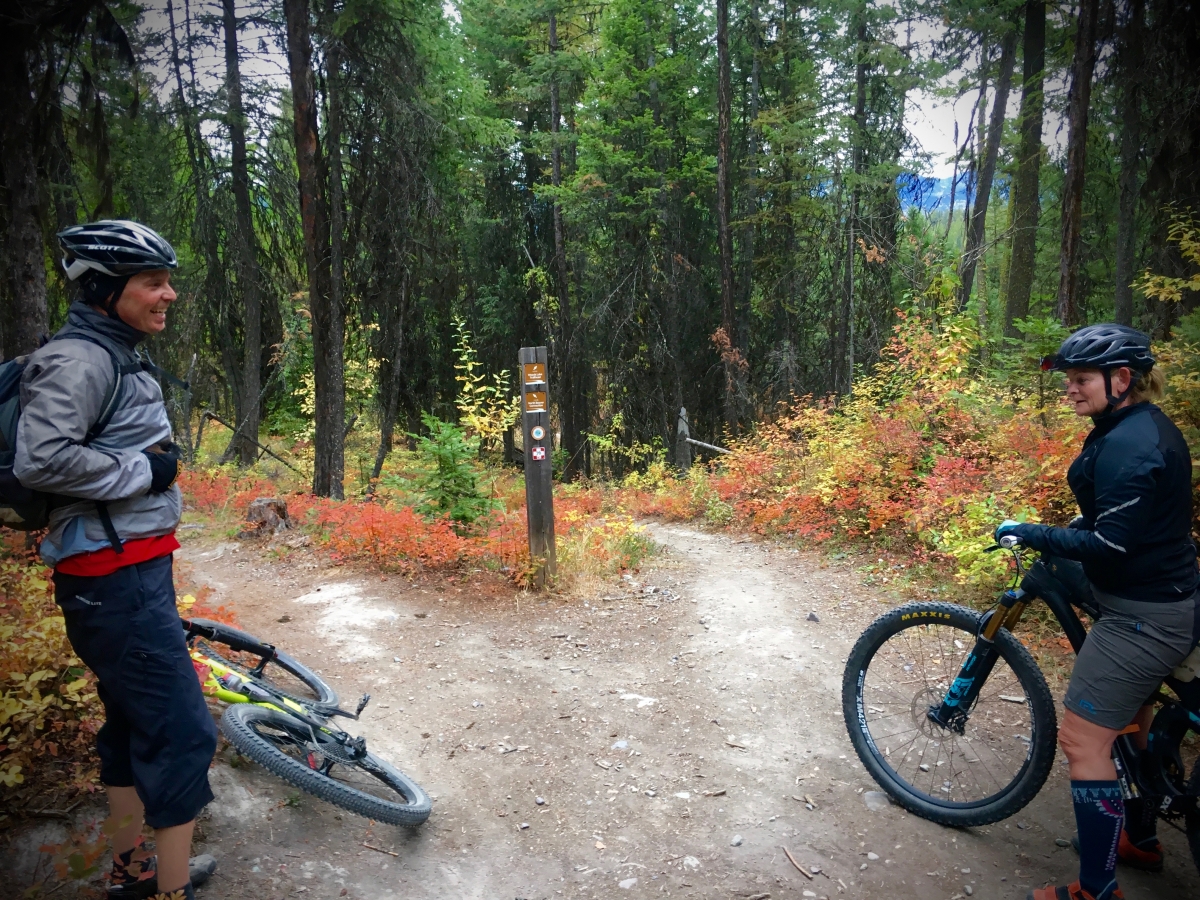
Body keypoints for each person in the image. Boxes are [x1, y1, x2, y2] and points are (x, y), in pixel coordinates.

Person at [15, 221, 218, 900]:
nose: (169, 294)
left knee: (134, 722)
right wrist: (145, 471)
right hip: (112, 577)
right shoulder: (80, 360)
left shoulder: (112, 351)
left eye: (167, 280)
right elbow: (42, 460)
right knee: (182, 732)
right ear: (106, 290)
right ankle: (169, 892)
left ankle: (134, 871)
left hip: (125, 571)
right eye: (152, 282)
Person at [994, 324, 1200, 900]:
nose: (1070, 389)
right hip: (1162, 589)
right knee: (1132, 710)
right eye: (1069, 379)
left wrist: (1032, 531)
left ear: (1122, 379)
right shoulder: (1134, 427)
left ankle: (1096, 890)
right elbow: (1131, 521)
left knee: (1084, 742)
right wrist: (1083, 524)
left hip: (1145, 614)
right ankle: (1140, 837)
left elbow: (1110, 545)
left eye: (1081, 379)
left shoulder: (1132, 445)